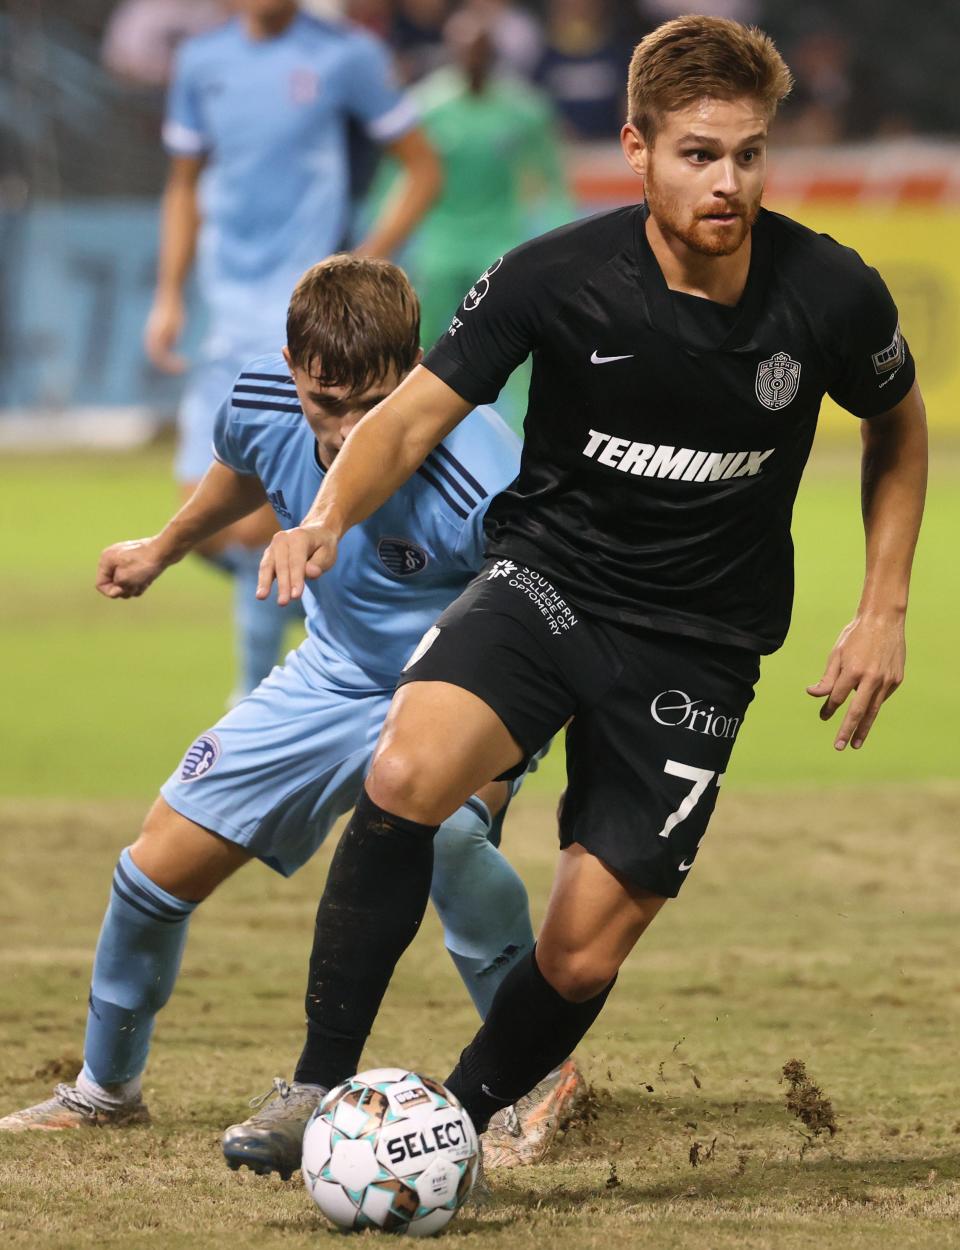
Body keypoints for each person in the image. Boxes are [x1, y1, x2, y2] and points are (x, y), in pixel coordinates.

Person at [248, 14, 928, 1153]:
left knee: (580, 953)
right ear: (638, 149)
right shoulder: (557, 277)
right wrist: (324, 518)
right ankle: (315, 1086)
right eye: (699, 154)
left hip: (699, 644)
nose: (728, 181)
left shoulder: (829, 291)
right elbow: (411, 414)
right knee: (407, 766)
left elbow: (896, 428)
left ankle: (444, 1131)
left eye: (750, 153)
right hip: (549, 588)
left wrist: (883, 608)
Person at [0, 257, 574, 1176]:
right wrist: (165, 545)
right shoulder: (263, 396)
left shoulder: (486, 471)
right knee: (152, 872)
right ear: (292, 367)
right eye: (324, 403)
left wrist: (500, 756)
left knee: (456, 849)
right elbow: (240, 469)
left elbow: (541, 612)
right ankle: (105, 1093)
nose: (346, 432)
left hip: (465, 685)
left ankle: (540, 1088)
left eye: (371, 406)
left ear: (418, 369)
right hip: (332, 675)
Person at [145, 0, 441, 700]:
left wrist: (362, 267)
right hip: (227, 317)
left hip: (306, 326)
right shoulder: (202, 62)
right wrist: (168, 293)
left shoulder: (346, 56)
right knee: (205, 524)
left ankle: (258, 698)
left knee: (257, 528)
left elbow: (421, 169)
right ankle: (337, 626)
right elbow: (184, 184)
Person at [377, 7, 573, 429]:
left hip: (499, 243)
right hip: (440, 245)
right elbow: (395, 180)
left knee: (520, 348)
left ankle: (525, 440)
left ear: (496, 53)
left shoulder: (523, 110)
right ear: (451, 51)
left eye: (483, 50)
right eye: (466, 50)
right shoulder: (426, 107)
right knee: (422, 347)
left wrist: (565, 242)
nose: (474, 58)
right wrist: (383, 245)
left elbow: (552, 181)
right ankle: (406, 433)